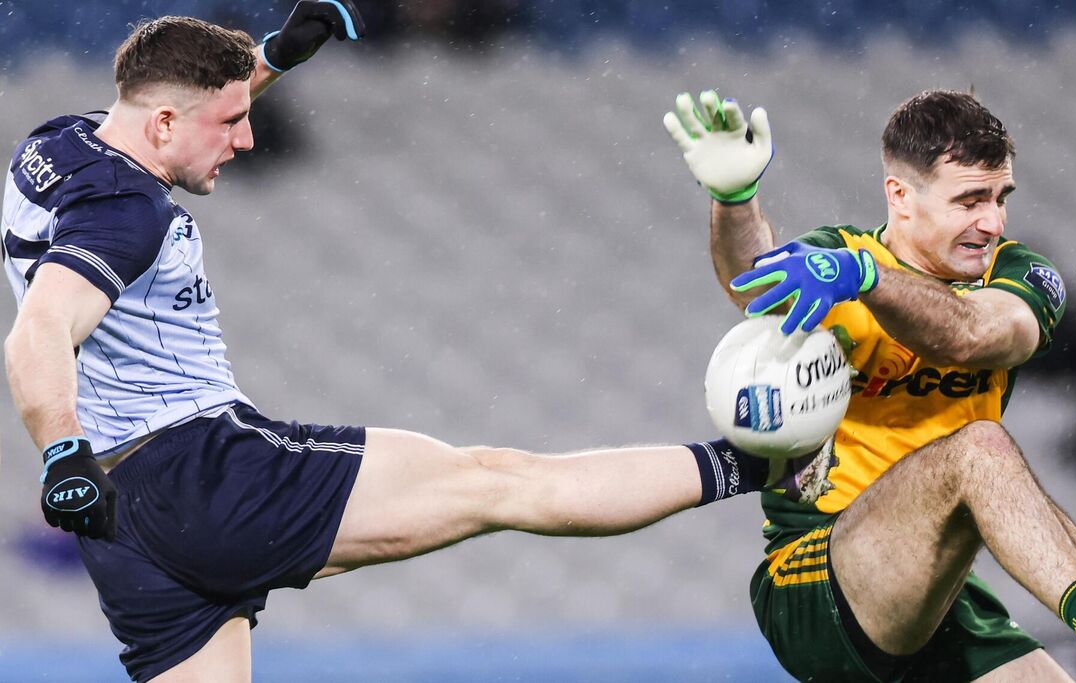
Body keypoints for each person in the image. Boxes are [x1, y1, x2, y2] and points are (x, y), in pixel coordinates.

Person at [2, 8, 778, 682]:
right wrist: (58, 447)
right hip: (206, 473)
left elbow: (176, 122)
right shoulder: (128, 214)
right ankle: (760, 463)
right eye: (231, 122)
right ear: (164, 124)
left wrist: (271, 61)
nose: (243, 141)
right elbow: (39, 328)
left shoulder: (60, 143)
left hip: (123, 527)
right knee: (499, 482)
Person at [665, 89, 1076, 682]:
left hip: (935, 587)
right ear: (902, 197)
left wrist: (869, 280)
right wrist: (735, 199)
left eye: (1000, 198)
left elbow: (975, 333)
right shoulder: (840, 259)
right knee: (979, 448)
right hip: (820, 570)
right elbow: (754, 284)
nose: (992, 221)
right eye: (970, 200)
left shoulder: (1021, 275)